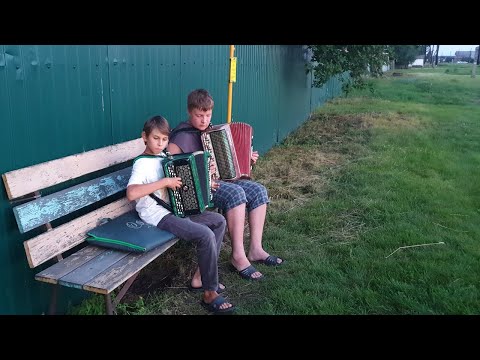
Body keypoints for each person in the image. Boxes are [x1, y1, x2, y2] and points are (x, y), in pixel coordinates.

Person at [167, 89, 284, 281]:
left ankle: (256, 249)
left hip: (219, 181)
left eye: (208, 115)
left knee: (258, 190)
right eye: (199, 115)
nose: (204, 120)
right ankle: (238, 256)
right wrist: (205, 172)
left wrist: (247, 160)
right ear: (189, 112)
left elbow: (227, 166)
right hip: (198, 191)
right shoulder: (179, 138)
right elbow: (177, 174)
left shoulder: (212, 133)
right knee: (235, 193)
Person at [126, 115, 235, 314]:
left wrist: (207, 182)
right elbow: (132, 193)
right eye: (156, 139)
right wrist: (165, 182)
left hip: (175, 208)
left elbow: (181, 180)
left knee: (218, 221)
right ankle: (210, 293)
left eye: (164, 139)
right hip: (157, 215)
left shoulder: (163, 157)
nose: (160, 144)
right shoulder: (141, 164)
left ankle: (202, 277)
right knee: (205, 234)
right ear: (144, 137)